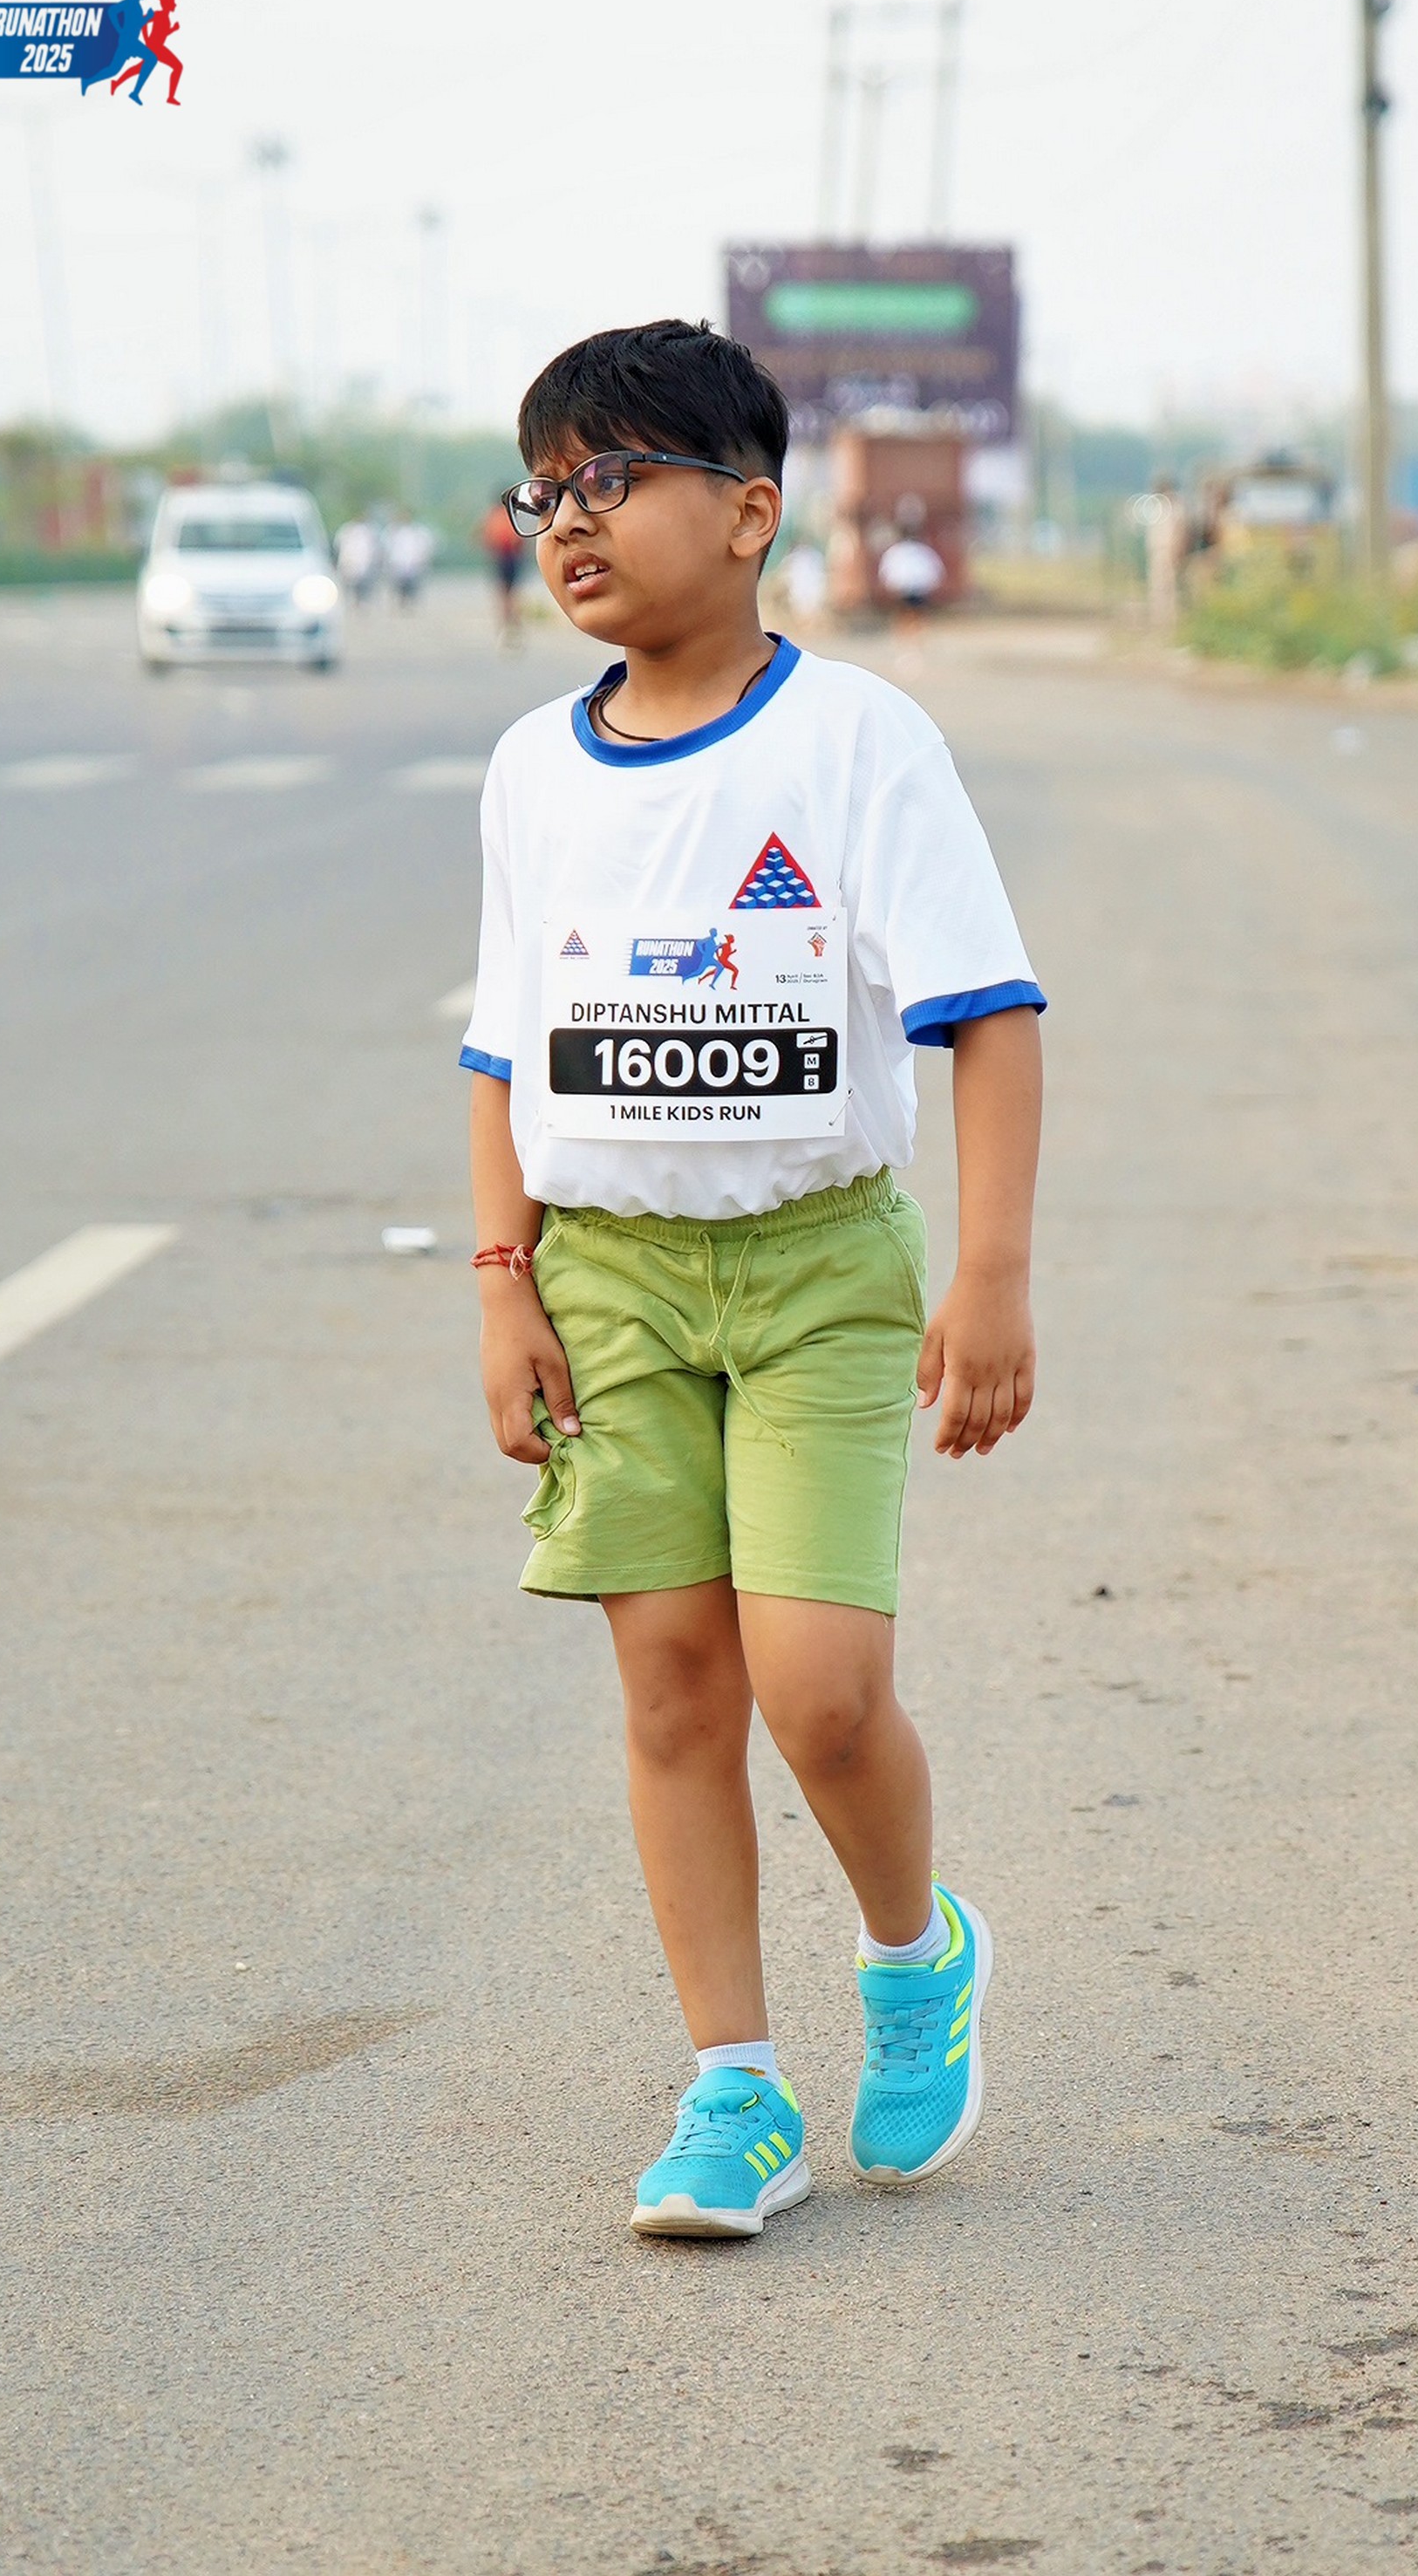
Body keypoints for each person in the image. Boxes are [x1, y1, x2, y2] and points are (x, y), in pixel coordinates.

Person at [461, 318, 1045, 2240]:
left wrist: (988, 1277)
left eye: (615, 480)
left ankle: (914, 1955)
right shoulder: (532, 771)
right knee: (670, 1689)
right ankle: (734, 2088)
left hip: (815, 1268)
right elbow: (501, 1053)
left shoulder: (856, 741)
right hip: (612, 1279)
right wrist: (504, 1282)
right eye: (546, 490)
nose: (570, 521)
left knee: (822, 1693)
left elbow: (988, 1016)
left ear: (750, 511)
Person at [478, 497, 528, 637]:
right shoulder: (512, 515)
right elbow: (520, 539)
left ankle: (506, 622)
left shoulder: (493, 516)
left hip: (501, 557)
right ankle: (514, 622)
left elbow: (484, 537)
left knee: (503, 592)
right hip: (513, 557)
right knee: (514, 592)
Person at [385, 512, 435, 608]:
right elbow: (388, 547)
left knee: (412, 586)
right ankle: (401, 601)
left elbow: (424, 546)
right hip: (398, 563)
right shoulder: (394, 531)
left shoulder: (417, 531)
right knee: (399, 586)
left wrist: (422, 558)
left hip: (413, 563)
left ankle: (410, 602)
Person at [333, 515, 379, 607]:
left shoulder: (367, 531)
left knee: (361, 587)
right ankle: (350, 604)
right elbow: (338, 545)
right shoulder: (347, 529)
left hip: (362, 563)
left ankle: (359, 603)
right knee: (348, 586)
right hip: (348, 562)